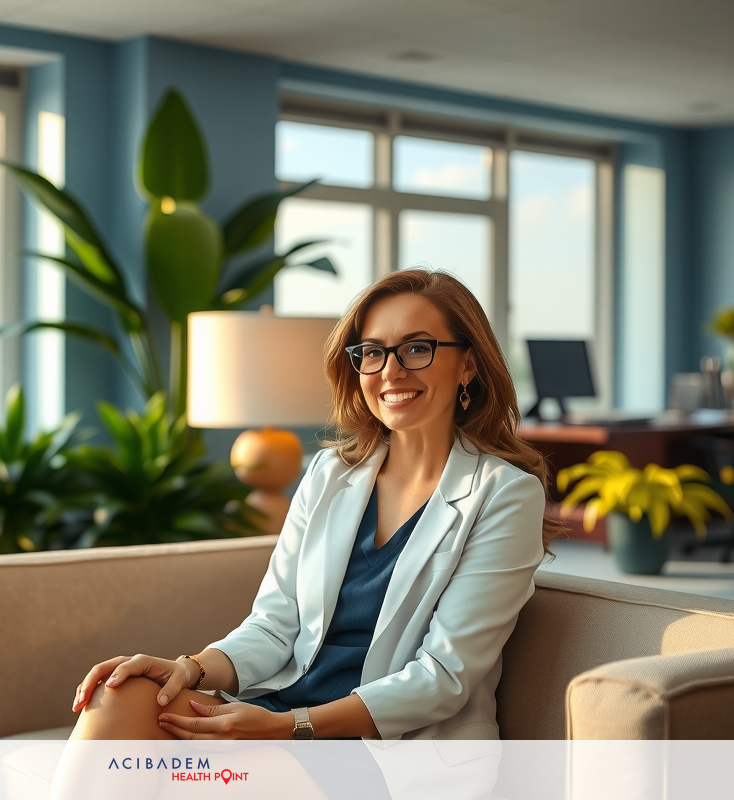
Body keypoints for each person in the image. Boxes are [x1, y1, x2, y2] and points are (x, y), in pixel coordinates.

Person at [65, 269, 558, 761]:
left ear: (468, 365)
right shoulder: (329, 473)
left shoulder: (505, 493)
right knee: (121, 694)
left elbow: (443, 676)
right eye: (372, 352)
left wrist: (288, 728)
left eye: (416, 348)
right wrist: (191, 668)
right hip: (280, 714)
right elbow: (275, 625)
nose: (390, 371)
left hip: (384, 753)